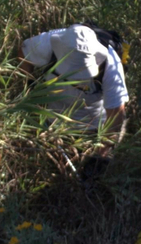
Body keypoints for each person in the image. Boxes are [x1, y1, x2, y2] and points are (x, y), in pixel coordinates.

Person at [19, 24, 130, 177]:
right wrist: (27, 89)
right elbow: (24, 53)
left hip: (93, 126)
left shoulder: (111, 65)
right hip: (53, 120)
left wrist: (99, 158)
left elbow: (116, 119)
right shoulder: (46, 43)